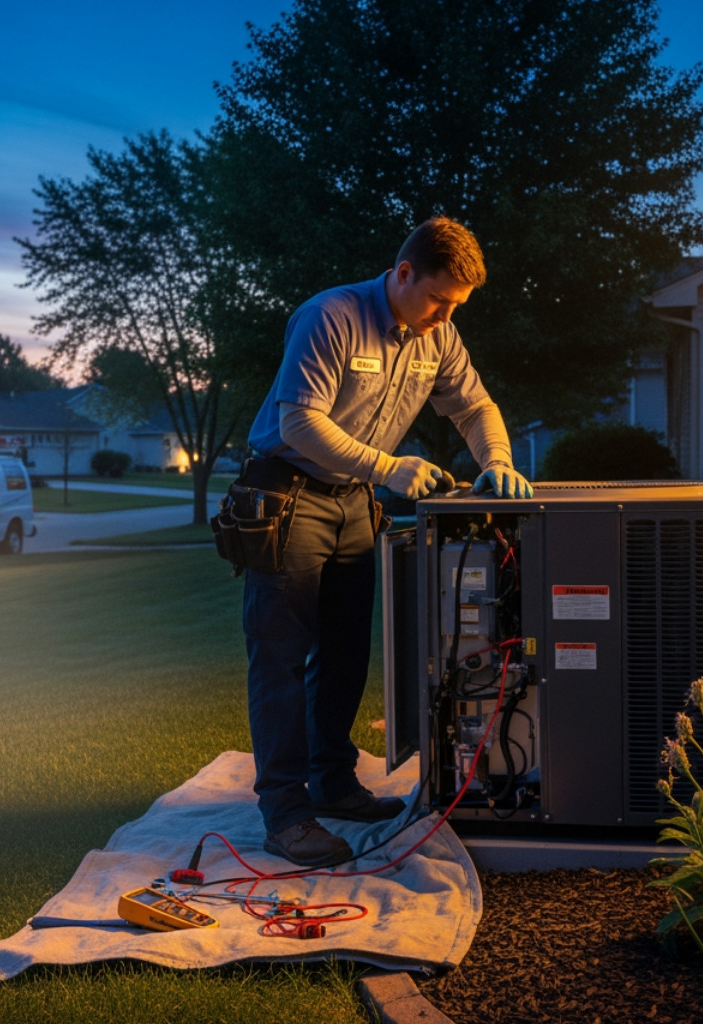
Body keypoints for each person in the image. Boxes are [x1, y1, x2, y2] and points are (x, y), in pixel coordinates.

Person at [239, 216, 533, 867]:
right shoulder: (331, 317)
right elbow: (299, 421)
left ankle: (333, 784)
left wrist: (498, 460)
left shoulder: (438, 336)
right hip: (288, 493)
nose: (445, 317)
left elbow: (475, 407)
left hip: (352, 502)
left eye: (456, 306)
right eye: (438, 300)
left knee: (345, 650)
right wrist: (389, 468)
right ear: (403, 273)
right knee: (280, 655)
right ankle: (286, 815)